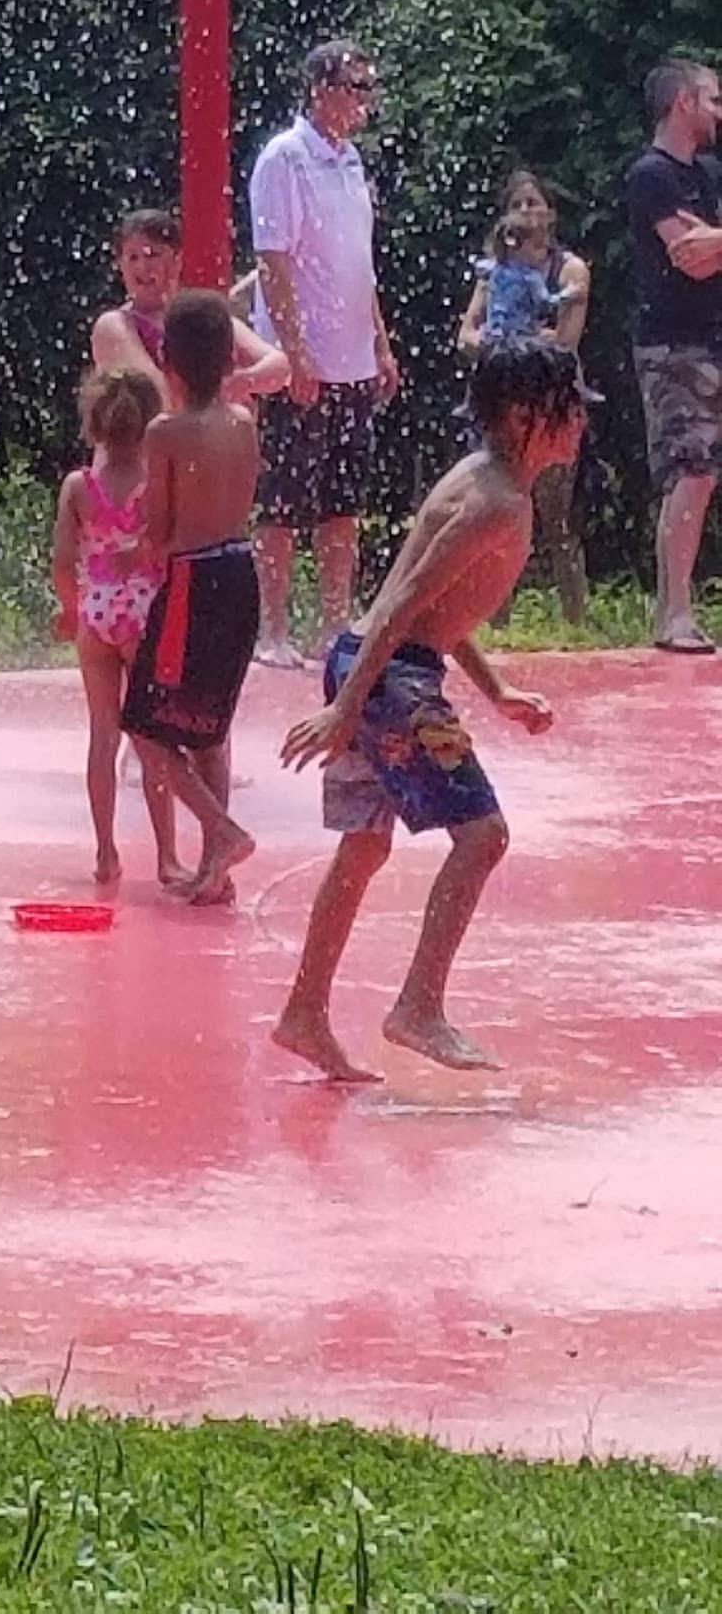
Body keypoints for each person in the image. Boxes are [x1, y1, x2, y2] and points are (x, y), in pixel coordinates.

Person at [273, 339, 585, 1083]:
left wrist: (495, 689)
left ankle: (304, 1014)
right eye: (569, 409)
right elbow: (407, 602)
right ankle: (418, 1005)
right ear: (521, 416)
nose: (580, 422)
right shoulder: (497, 503)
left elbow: (434, 609)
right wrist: (350, 708)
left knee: (365, 845)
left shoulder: (486, 481)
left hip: (377, 665)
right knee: (483, 837)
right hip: (391, 681)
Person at [248, 41, 402, 667]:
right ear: (321, 89)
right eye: (356, 88)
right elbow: (274, 260)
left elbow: (358, 263)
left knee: (344, 500)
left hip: (354, 358)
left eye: (370, 89)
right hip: (300, 361)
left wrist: (381, 344)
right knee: (284, 499)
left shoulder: (350, 161)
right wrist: (294, 352)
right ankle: (272, 629)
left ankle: (335, 624)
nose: (366, 102)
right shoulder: (285, 158)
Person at [121, 290, 262, 905]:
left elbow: (160, 533)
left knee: (146, 726)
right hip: (240, 573)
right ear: (230, 358)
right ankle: (215, 871)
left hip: (192, 583)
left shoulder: (166, 432)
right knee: (210, 729)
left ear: (166, 361)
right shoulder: (244, 423)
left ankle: (222, 831)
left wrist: (124, 555)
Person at [51, 368, 185, 887]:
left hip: (96, 616)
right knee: (153, 740)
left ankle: (106, 853)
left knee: (101, 737)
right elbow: (173, 541)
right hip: (146, 616)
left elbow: (63, 561)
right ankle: (166, 857)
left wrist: (70, 607)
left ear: (94, 424)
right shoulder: (157, 483)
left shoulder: (79, 487)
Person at [458, 170, 593, 625]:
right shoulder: (493, 269)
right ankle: (493, 619)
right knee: (496, 512)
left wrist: (503, 345)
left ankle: (576, 621)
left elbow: (565, 342)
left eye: (535, 203)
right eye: (518, 204)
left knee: (556, 517)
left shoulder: (570, 269)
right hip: (502, 401)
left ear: (551, 213)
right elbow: (466, 335)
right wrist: (515, 342)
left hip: (550, 404)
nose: (527, 212)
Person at [627, 57, 722, 654]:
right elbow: (690, 255)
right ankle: (673, 614)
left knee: (706, 475)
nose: (719, 111)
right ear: (683, 102)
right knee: (691, 471)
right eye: (713, 99)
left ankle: (679, 611)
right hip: (672, 342)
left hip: (713, 335)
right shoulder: (651, 175)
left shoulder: (711, 173)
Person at [91, 208, 290, 402]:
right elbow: (155, 395)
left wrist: (240, 382)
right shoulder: (114, 326)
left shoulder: (198, 314)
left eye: (153, 255)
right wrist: (216, 401)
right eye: (132, 258)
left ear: (177, 259)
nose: (142, 267)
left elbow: (280, 365)